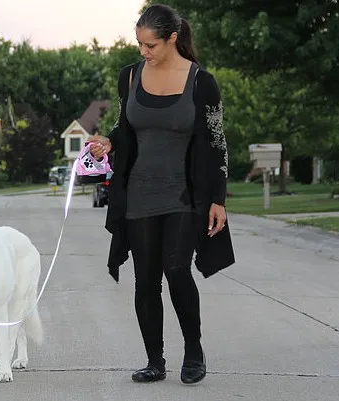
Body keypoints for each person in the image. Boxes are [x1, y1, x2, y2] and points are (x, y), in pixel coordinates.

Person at [87, 4, 235, 385]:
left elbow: (217, 143)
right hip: (138, 194)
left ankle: (194, 350)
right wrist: (107, 141)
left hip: (185, 195)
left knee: (175, 269)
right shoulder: (130, 76)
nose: (143, 52)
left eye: (150, 44)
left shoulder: (202, 82)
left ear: (172, 38)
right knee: (146, 280)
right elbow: (125, 128)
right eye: (139, 44)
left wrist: (217, 199)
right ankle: (155, 361)